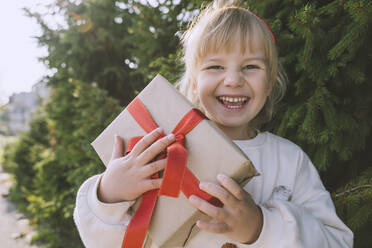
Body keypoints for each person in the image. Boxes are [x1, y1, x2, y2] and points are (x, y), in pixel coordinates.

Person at [73, 0, 353, 247]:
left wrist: (261, 227)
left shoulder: (290, 160)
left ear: (269, 83)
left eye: (251, 67)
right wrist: (109, 195)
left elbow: (337, 242)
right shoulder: (162, 149)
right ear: (195, 82)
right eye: (216, 67)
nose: (233, 80)